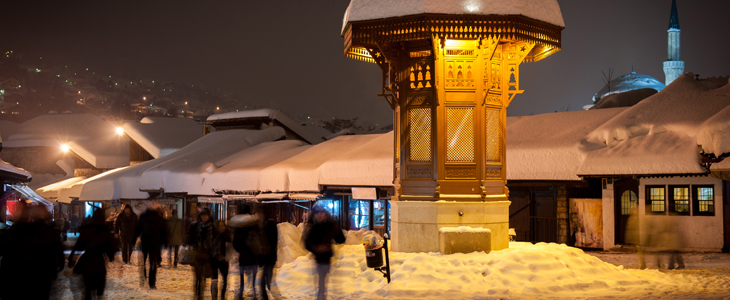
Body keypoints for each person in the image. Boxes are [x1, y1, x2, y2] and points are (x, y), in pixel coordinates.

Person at [0, 202, 65, 300]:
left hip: (17, 277)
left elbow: (5, 250)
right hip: (41, 276)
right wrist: (57, 266)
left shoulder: (15, 232)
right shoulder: (48, 231)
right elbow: (57, 251)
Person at [68, 209, 117, 299]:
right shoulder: (104, 229)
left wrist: (72, 256)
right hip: (98, 259)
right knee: (100, 280)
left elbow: (79, 244)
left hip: (88, 258)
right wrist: (110, 255)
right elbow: (109, 245)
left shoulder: (88, 228)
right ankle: (99, 294)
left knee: (88, 285)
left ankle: (88, 294)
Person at [305, 206, 346, 300]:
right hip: (319, 261)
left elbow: (341, 239)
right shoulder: (313, 228)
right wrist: (316, 248)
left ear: (325, 214)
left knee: (324, 284)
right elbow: (306, 243)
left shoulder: (329, 226)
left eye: (321, 213)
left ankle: (322, 296)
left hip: (328, 259)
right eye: (317, 213)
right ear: (314, 215)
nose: (319, 215)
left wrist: (337, 226)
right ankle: (321, 297)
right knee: (322, 284)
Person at [133, 203, 167, 289]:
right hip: (146, 242)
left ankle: (152, 283)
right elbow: (138, 228)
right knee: (144, 263)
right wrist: (133, 239)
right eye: (151, 204)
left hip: (154, 243)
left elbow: (163, 231)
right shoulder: (144, 216)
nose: (153, 205)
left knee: (153, 263)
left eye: (154, 204)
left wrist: (165, 241)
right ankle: (144, 278)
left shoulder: (159, 217)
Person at [231, 211, 260, 300]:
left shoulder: (238, 230)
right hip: (253, 258)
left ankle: (241, 294)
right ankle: (254, 294)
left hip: (243, 258)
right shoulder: (254, 228)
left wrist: (241, 251)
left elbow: (235, 244)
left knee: (242, 279)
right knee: (253, 279)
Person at [188, 208, 215, 299]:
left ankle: (201, 291)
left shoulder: (212, 227)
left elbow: (215, 240)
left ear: (209, 216)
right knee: (197, 275)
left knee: (204, 275)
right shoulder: (195, 226)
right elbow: (189, 237)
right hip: (197, 253)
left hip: (207, 255)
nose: (204, 217)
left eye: (206, 215)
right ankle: (198, 293)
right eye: (202, 215)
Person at [258, 208, 279, 300]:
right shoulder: (262, 225)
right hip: (266, 257)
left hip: (270, 257)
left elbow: (273, 240)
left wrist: (273, 255)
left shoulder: (269, 224)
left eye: (260, 213)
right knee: (264, 280)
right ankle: (266, 296)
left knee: (267, 280)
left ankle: (273, 294)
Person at [211, 221, 231, 299]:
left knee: (225, 280)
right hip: (215, 260)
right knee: (214, 280)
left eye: (222, 226)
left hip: (224, 260)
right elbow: (211, 247)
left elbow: (230, 249)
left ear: (225, 227)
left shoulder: (227, 236)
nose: (220, 228)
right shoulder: (214, 236)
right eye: (219, 226)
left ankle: (222, 295)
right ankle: (214, 296)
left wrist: (226, 258)